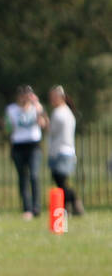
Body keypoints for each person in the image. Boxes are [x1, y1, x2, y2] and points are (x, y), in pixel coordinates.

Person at [6, 85, 48, 219]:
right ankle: (27, 208)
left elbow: (44, 124)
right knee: (22, 177)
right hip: (18, 145)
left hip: (33, 145)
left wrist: (38, 107)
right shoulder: (11, 109)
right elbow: (8, 128)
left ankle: (36, 207)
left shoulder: (37, 108)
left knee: (34, 176)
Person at [47, 85, 83, 217]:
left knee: (61, 183)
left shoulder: (58, 113)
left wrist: (44, 123)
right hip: (68, 150)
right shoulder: (68, 112)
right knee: (62, 182)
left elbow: (52, 131)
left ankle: (73, 202)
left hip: (60, 151)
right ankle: (67, 207)